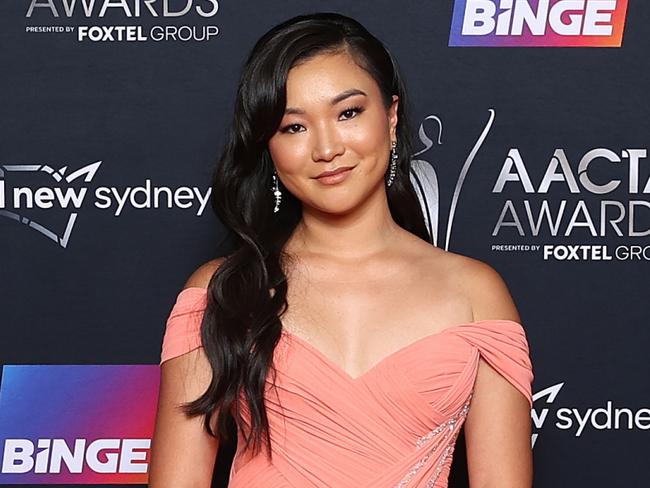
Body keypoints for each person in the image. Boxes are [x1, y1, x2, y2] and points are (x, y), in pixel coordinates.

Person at [148, 12, 534, 488]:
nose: (327, 147)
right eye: (293, 127)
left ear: (391, 118)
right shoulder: (220, 291)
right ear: (268, 146)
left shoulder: (476, 294)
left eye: (348, 113)